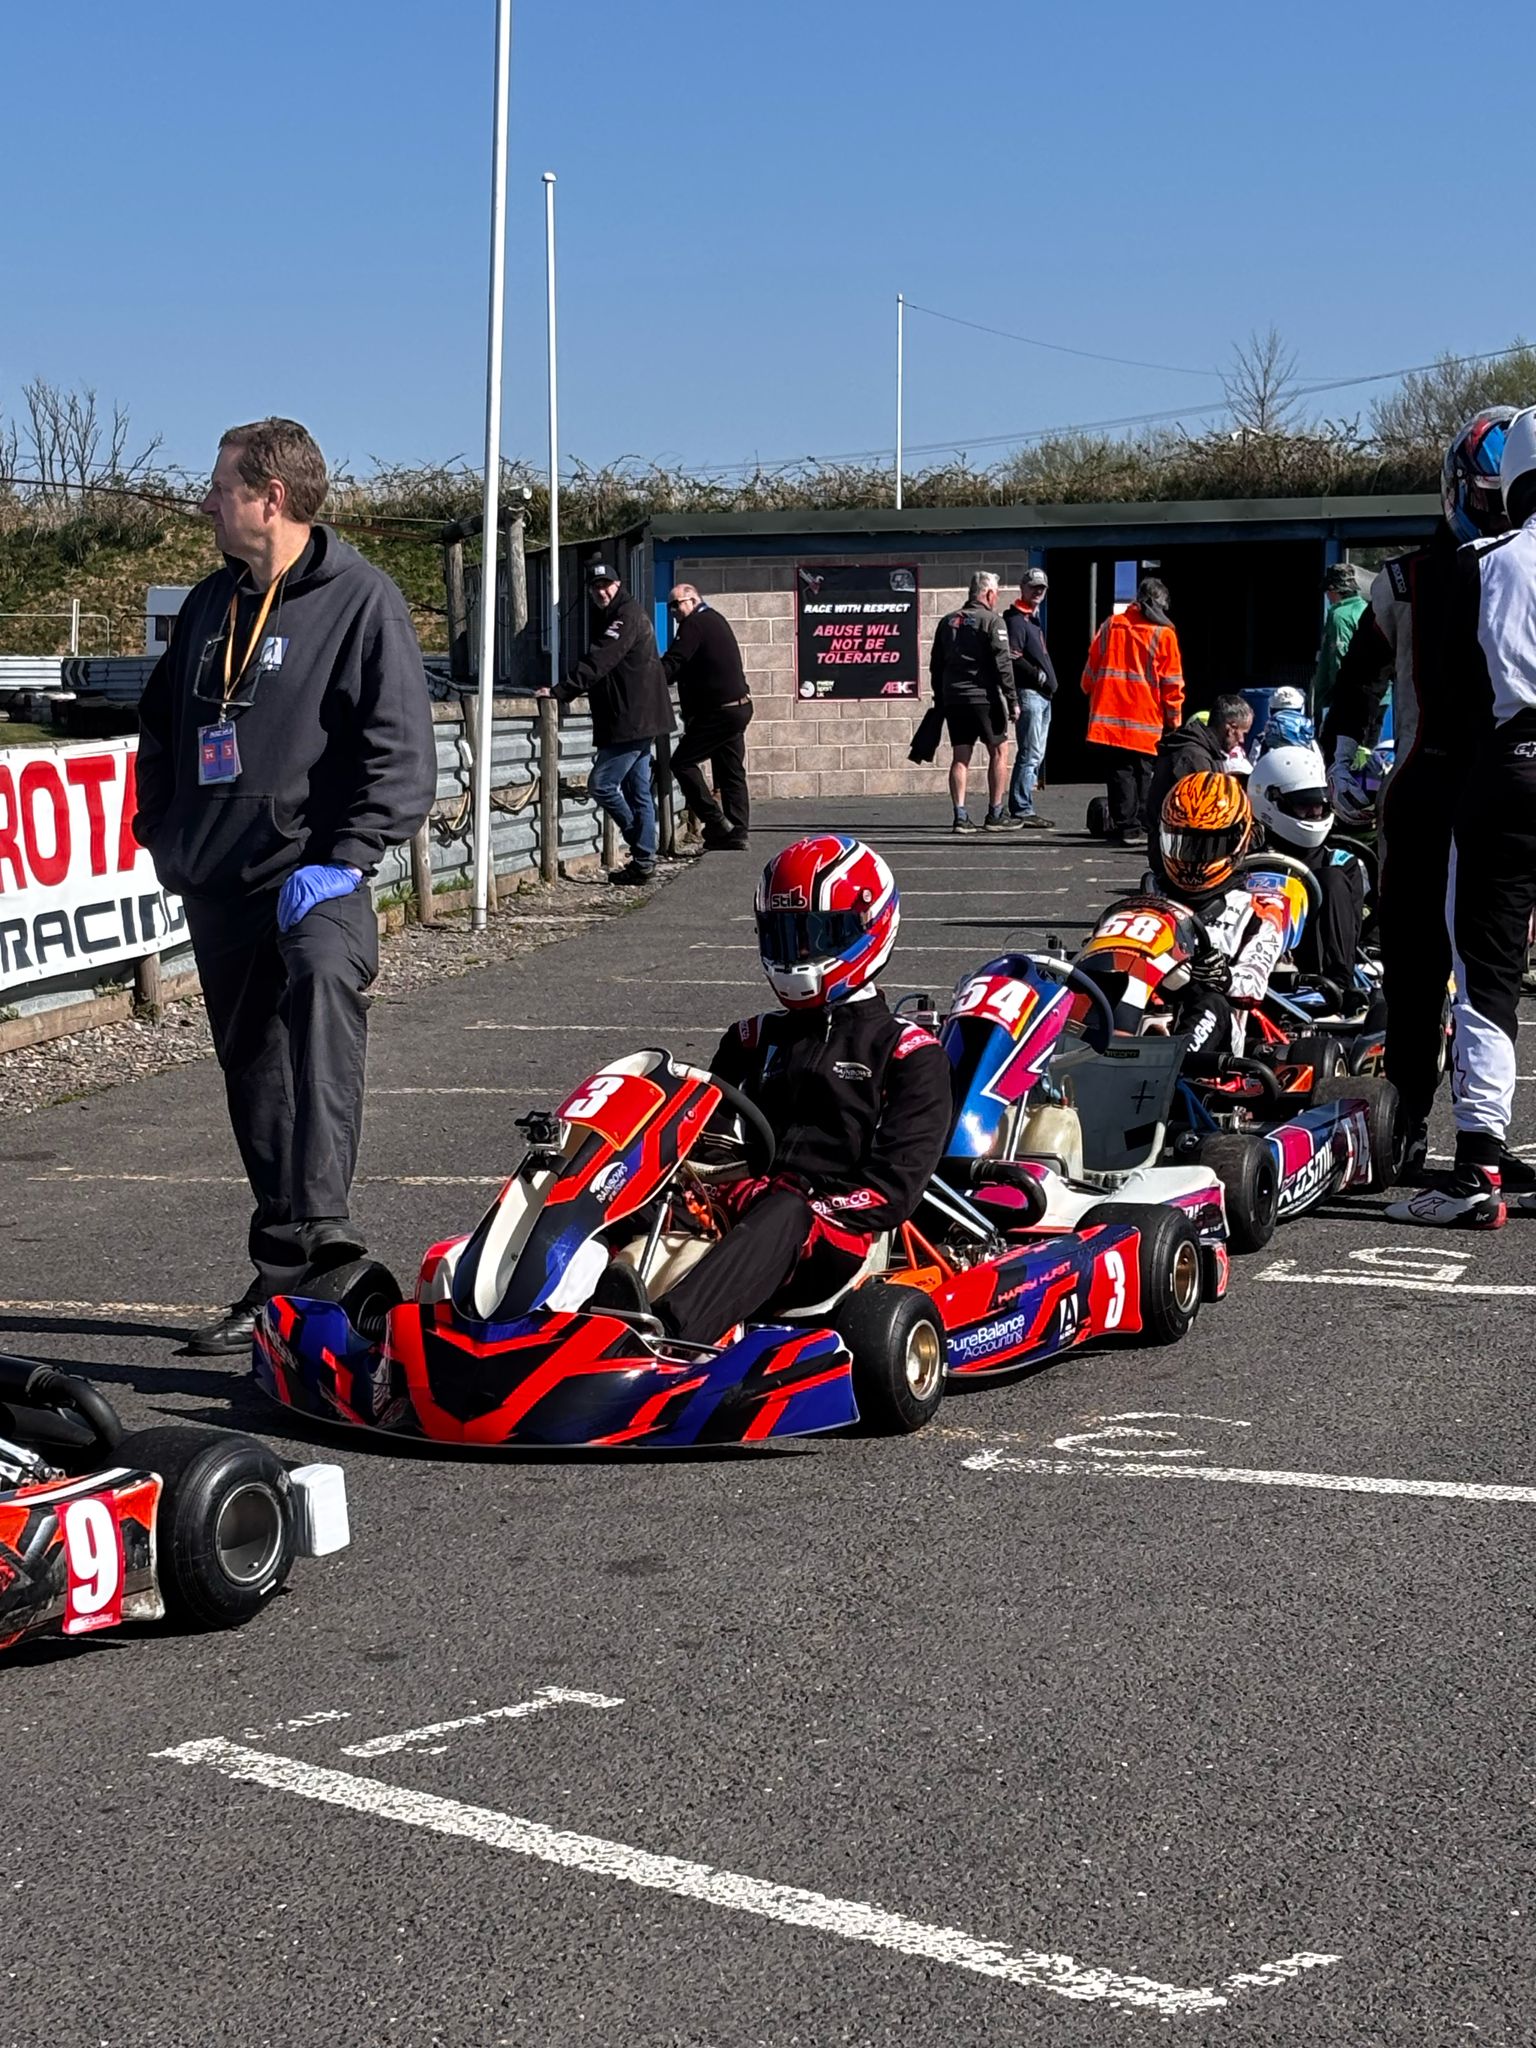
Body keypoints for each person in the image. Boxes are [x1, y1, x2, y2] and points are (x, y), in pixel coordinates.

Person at [133, 418, 436, 1353]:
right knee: (253, 1074)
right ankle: (282, 1272)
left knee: (322, 987)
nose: (205, 504)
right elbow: (161, 729)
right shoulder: (210, 603)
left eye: (220, 487)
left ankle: (323, 1233)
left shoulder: (362, 599)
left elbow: (400, 752)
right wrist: (165, 835)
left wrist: (348, 855)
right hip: (219, 878)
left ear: (270, 497)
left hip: (316, 870)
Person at [594, 835, 953, 1343]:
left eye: (815, 935)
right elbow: (707, 1143)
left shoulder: (907, 1054)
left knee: (784, 1211)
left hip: (835, 1235)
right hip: (740, 1208)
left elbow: (891, 1192)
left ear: (867, 927)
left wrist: (796, 1203)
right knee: (614, 1187)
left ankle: (671, 1335)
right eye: (786, 936)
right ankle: (541, 1309)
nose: (798, 953)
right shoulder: (752, 1039)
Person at [1324, 406, 1521, 1179]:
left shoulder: (1499, 569)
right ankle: (1409, 1116)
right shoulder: (1405, 580)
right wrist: (1345, 752)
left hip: (1489, 788)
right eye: (1486, 500)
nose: (1496, 516)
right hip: (1432, 789)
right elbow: (1359, 674)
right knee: (1414, 966)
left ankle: (1478, 1136)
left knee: (1487, 970)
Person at [1388, 406, 1536, 1228]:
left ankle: (1477, 1160)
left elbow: (1450, 691)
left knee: (1485, 970)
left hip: (1508, 768)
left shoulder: (1480, 564)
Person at [548, 563, 674, 886]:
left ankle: (639, 843)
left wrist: (560, 691)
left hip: (632, 719)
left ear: (619, 584)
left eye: (606, 585)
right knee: (637, 790)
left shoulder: (625, 617)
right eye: (595, 587)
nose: (601, 592)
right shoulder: (619, 614)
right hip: (639, 717)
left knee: (602, 784)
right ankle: (643, 863)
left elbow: (600, 660)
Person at [1153, 772, 1286, 1063]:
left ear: (1236, 841)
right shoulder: (1152, 897)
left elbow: (1254, 985)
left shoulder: (1258, 909)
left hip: (1218, 1035)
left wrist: (1224, 976)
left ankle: (1172, 1071)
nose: (1194, 857)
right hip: (1141, 1013)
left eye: (1208, 846)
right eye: (1184, 843)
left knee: (1207, 998)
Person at [1247, 744, 1366, 991]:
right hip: (1249, 969)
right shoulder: (1245, 858)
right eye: (1303, 804)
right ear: (1270, 801)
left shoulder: (1341, 863)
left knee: (1332, 880)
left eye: (1319, 803)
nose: (1314, 812)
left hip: (1317, 979)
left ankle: (1338, 986)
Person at [1081, 576, 1185, 845]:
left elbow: (1092, 667)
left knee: (1120, 773)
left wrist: (1088, 688)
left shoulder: (1112, 625)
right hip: (1145, 719)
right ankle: (1142, 824)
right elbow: (1172, 682)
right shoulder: (1164, 634)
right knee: (1144, 774)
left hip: (1111, 717)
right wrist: (1174, 719)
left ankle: (1127, 827)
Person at [661, 583, 751, 852]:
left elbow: (674, 663)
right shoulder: (715, 619)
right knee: (731, 771)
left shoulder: (694, 624)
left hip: (719, 712)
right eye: (670, 606)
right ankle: (737, 832)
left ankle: (715, 821)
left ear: (693, 600)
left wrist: (644, 679)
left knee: (682, 762)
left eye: (677, 604)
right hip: (738, 707)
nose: (673, 611)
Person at [929, 572, 1019, 833]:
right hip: (984, 698)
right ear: (988, 594)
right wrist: (1012, 699)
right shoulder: (993, 621)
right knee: (999, 751)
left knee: (961, 756)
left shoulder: (947, 622)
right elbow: (1003, 664)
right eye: (996, 594)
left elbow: (935, 665)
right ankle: (996, 813)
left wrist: (941, 698)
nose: (996, 598)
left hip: (954, 699)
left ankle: (960, 816)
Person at [1146, 692, 1253, 872]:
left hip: (1175, 847)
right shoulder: (1194, 758)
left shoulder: (1199, 751)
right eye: (1243, 733)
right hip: (1180, 857)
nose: (1242, 741)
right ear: (1230, 728)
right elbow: (1203, 815)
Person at [1005, 568, 1057, 828]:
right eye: (1033, 587)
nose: (1038, 591)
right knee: (1030, 753)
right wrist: (1038, 676)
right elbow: (1012, 656)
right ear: (1022, 588)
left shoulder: (1032, 620)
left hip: (1043, 696)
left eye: (1041, 588)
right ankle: (1022, 808)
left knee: (1036, 753)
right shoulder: (1016, 620)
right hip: (1030, 695)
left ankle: (1023, 805)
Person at [1311, 562, 1367, 721]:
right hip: (1374, 695)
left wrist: (1338, 697)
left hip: (1345, 698)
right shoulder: (1366, 609)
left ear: (1334, 590)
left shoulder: (1340, 616)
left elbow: (1339, 657)